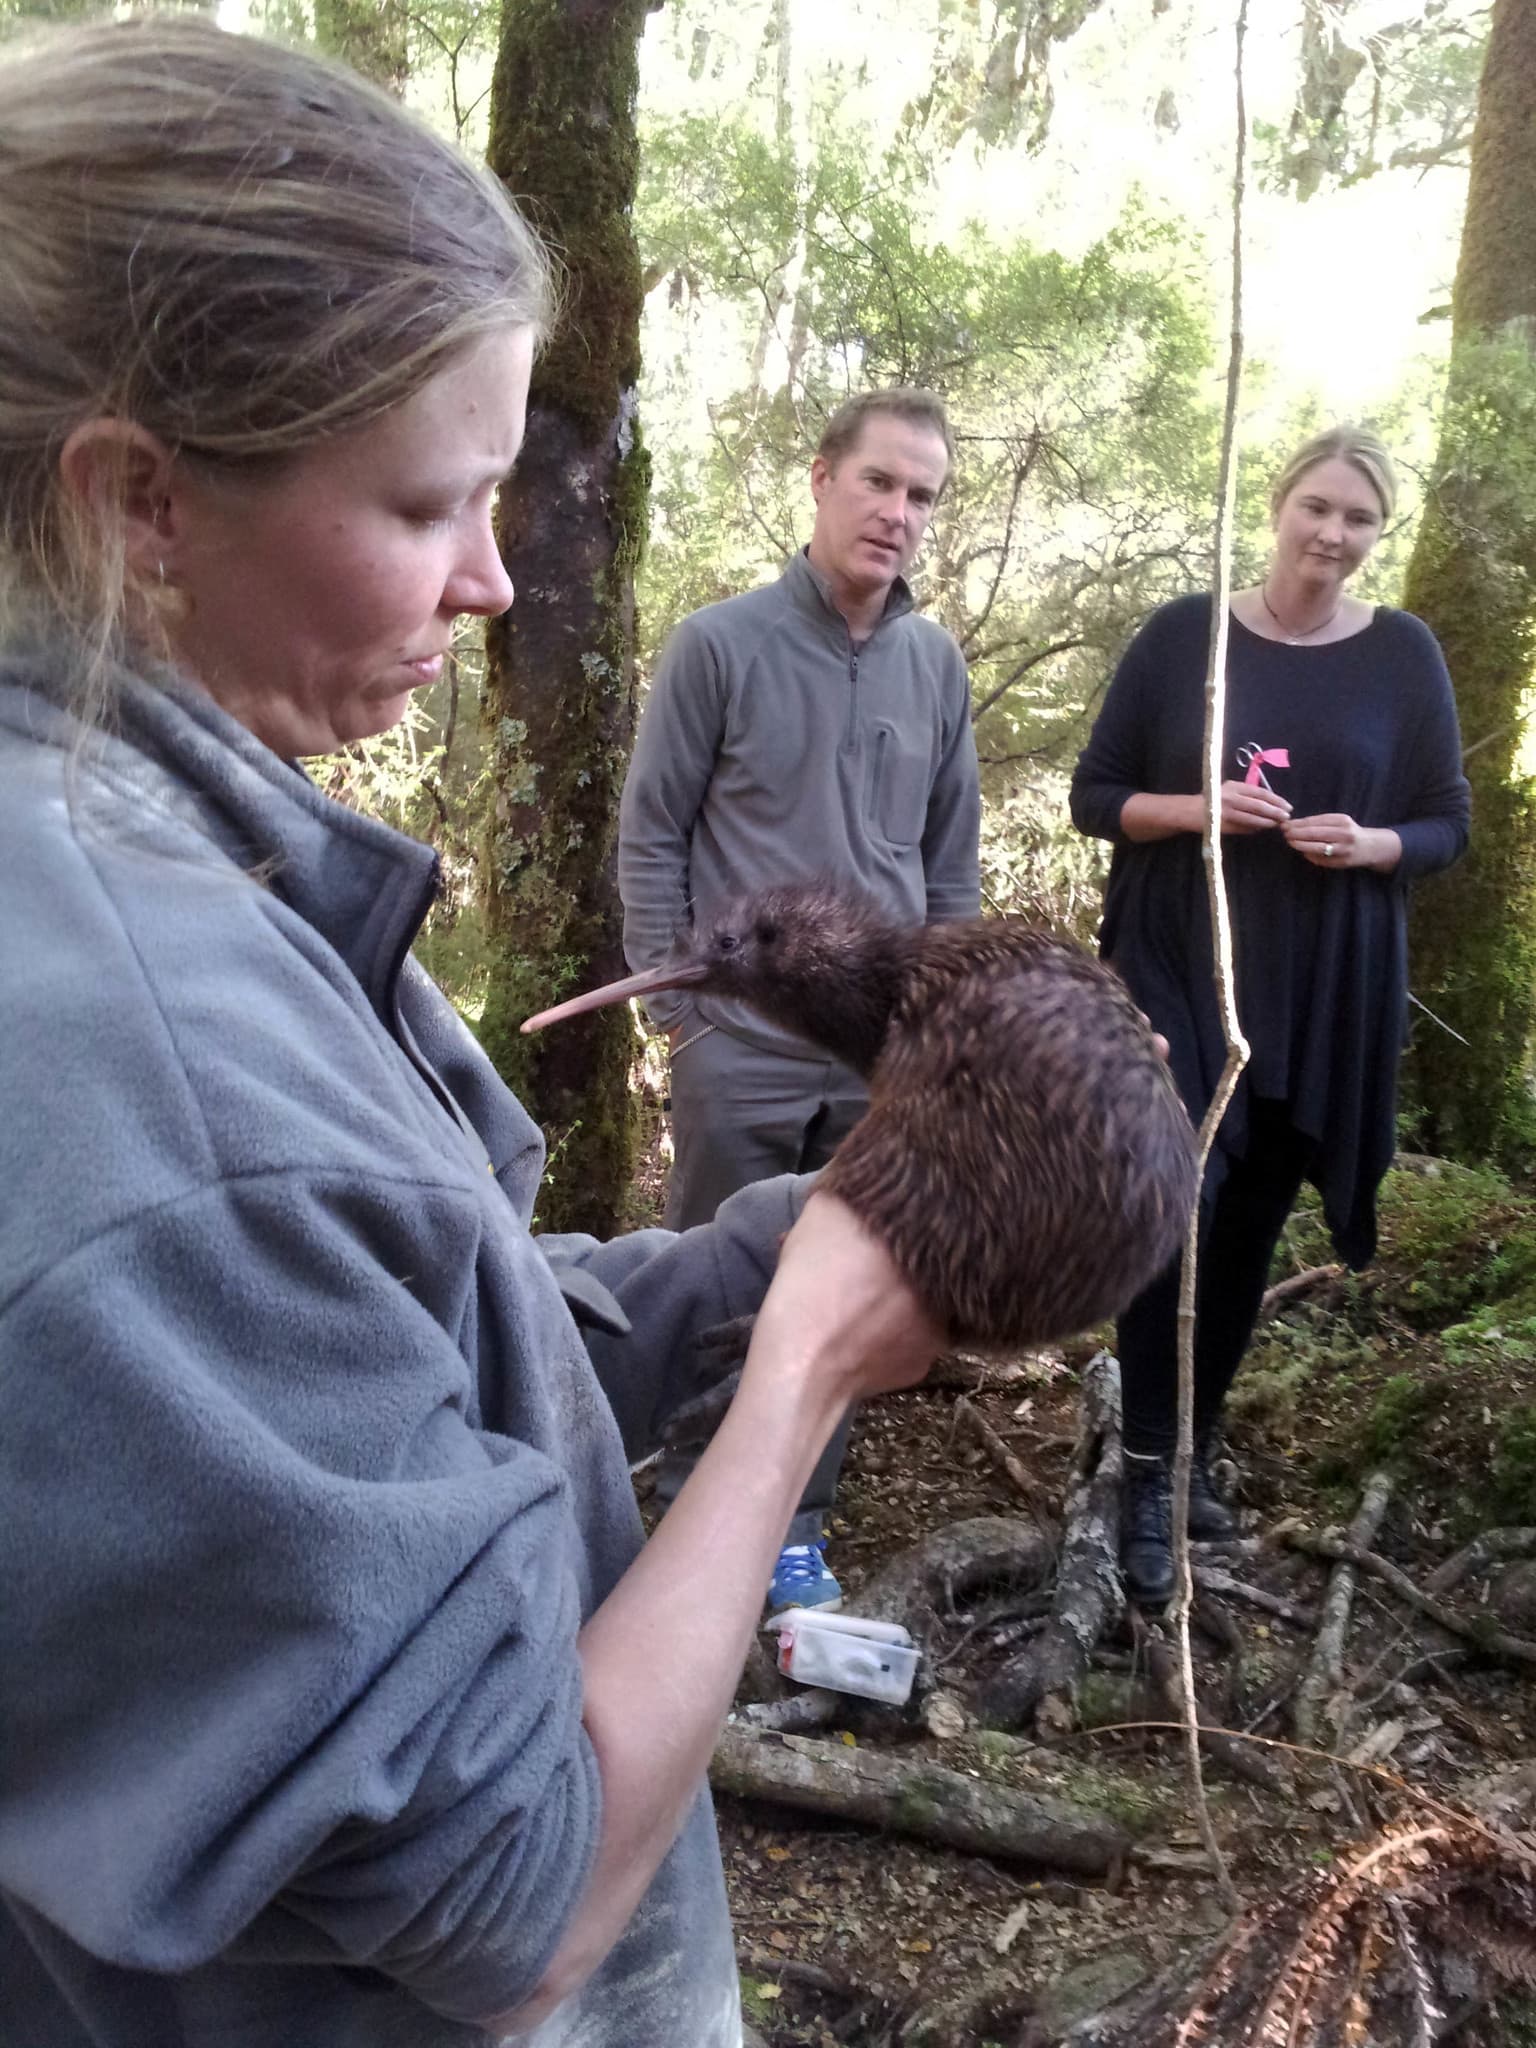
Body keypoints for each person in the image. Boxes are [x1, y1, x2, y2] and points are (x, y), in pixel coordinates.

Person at [0, 22, 945, 2048]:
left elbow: (374, 1355)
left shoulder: (163, 860)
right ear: (142, 498)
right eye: (431, 503)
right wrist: (804, 1369)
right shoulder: (145, 1047)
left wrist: (733, 1273)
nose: (495, 581)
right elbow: (513, 1890)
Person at [1069, 426, 1470, 1606]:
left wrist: (1374, 841)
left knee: (1248, 1222)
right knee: (1176, 1196)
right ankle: (1147, 1471)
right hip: (1182, 956)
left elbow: (1448, 821)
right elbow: (1096, 795)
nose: (1333, 535)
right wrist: (1197, 807)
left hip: (1327, 975)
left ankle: (1195, 1446)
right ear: (1280, 504)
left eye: (1359, 518)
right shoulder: (1183, 635)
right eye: (1318, 507)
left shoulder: (1404, 654)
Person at [618, 388, 981, 1612]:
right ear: (823, 478)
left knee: (844, 1283)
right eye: (879, 481)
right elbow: (653, 831)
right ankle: (679, 1510)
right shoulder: (719, 645)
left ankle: (792, 1529)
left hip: (880, 1054)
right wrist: (681, 1009)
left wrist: (938, 1030)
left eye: (922, 494)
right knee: (714, 1278)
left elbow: (949, 866)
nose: (898, 512)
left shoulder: (934, 666)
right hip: (742, 1040)